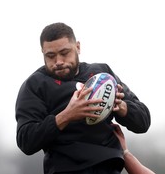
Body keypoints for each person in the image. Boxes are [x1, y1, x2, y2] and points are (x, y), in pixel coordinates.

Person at [15, 22, 151, 174]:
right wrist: (67, 115)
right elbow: (25, 140)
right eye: (50, 56)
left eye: (64, 52)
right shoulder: (35, 85)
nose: (58, 61)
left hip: (109, 166)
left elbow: (143, 122)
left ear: (77, 47)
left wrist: (122, 107)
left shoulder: (102, 74)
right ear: (43, 53)